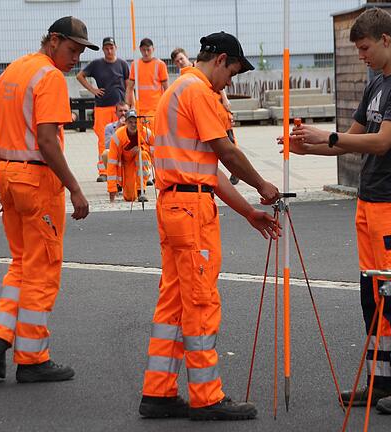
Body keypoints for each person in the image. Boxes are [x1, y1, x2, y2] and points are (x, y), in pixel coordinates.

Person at [282, 8, 391, 414]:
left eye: (364, 48)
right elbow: (352, 138)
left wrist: (325, 136)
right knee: (374, 295)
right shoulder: (377, 83)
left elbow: (382, 142)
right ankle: (381, 382)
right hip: (370, 201)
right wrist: (307, 146)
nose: (360, 55)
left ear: (385, 40)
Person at [138, 31, 281, 421]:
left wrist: (248, 211)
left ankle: (159, 392)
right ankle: (206, 397)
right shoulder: (198, 91)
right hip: (191, 211)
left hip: (174, 205)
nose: (230, 82)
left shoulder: (175, 91)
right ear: (219, 60)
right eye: (232, 71)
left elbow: (208, 172)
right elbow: (226, 153)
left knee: (173, 301)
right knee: (200, 302)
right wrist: (261, 185)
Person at [0, 16, 94, 384]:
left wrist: (11, 166)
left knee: (20, 264)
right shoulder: (49, 78)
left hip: (9, 176)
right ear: (54, 41)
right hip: (37, 183)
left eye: (79, 52)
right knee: (43, 269)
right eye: (72, 49)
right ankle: (31, 359)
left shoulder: (14, 70)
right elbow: (47, 141)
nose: (75, 58)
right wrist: (75, 187)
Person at [172, 47, 238, 184]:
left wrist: (225, 100)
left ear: (186, 57)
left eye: (181, 59)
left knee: (228, 142)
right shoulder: (194, 86)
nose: (180, 62)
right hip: (208, 114)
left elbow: (218, 87)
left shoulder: (197, 73)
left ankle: (235, 170)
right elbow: (228, 154)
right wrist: (260, 185)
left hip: (218, 112)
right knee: (224, 147)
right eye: (177, 61)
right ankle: (236, 169)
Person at [77, 36, 130, 182]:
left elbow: (128, 85)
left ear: (116, 48)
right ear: (103, 49)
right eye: (106, 48)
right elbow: (80, 76)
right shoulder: (96, 64)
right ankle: (104, 170)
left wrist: (128, 104)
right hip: (102, 107)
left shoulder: (123, 65)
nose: (109, 50)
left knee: (123, 137)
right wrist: (92, 89)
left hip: (119, 108)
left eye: (111, 47)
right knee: (103, 140)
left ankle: (123, 169)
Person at [106, 109, 153, 203]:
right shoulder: (118, 136)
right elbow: (112, 163)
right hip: (126, 165)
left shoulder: (146, 133)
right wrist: (112, 189)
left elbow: (155, 152)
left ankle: (141, 191)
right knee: (129, 197)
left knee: (142, 154)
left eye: (135, 122)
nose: (133, 124)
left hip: (140, 161)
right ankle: (129, 189)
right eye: (130, 122)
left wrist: (142, 148)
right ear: (126, 122)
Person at [126, 38, 168, 131]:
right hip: (139, 108)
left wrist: (166, 105)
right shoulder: (135, 65)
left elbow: (166, 88)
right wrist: (131, 105)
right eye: (144, 50)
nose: (146, 52)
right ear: (140, 49)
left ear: (153, 49)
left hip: (155, 108)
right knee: (141, 136)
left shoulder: (160, 64)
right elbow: (130, 87)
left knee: (153, 134)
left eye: (148, 50)